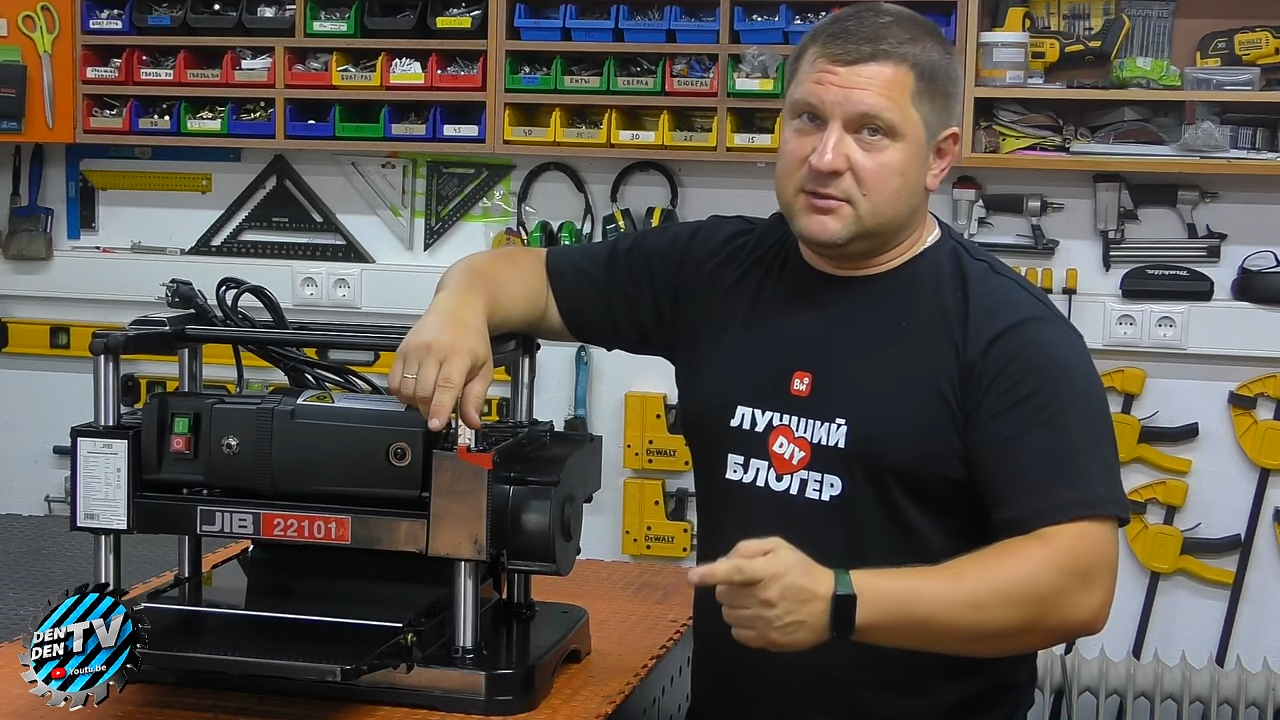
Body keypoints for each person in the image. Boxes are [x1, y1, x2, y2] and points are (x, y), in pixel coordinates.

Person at [389, 3, 1130, 718]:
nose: (826, 158)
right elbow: (528, 277)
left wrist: (840, 601)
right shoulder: (716, 270)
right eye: (808, 119)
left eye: (871, 131)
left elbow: (1076, 585)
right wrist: (459, 305)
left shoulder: (1009, 336)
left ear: (939, 157)